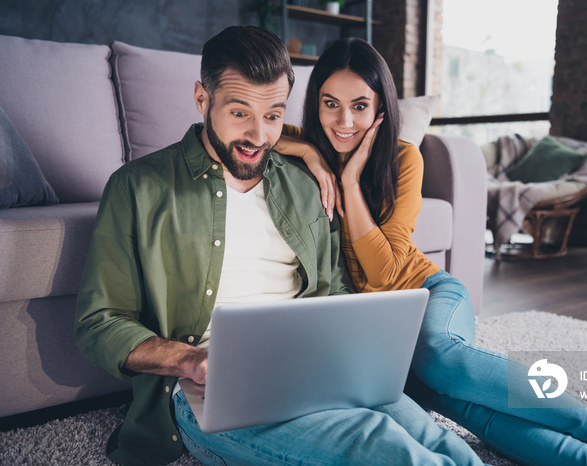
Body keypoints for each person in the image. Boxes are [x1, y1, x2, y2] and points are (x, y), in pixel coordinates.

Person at [74, 26, 490, 466]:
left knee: (441, 444)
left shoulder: (306, 185)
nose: (258, 135)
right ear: (202, 100)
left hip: (315, 367)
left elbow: (337, 291)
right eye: (240, 114)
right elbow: (99, 322)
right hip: (216, 388)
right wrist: (190, 360)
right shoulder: (136, 188)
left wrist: (355, 352)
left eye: (273, 115)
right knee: (380, 447)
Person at [276, 37, 587, 466]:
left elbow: (385, 273)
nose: (344, 120)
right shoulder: (310, 151)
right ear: (316, 107)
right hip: (376, 335)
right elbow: (245, 130)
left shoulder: (403, 158)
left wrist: (349, 185)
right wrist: (309, 149)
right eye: (330, 104)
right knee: (464, 406)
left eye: (360, 106)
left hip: (429, 293)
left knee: (441, 357)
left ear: (381, 108)